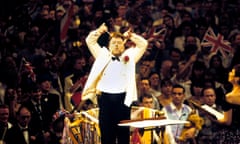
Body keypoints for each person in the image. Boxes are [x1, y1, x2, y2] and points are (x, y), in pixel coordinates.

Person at [80, 23, 148, 144]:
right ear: (108, 45)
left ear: (124, 45)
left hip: (123, 100)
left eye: (119, 42)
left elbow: (143, 44)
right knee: (107, 135)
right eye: (113, 43)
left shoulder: (130, 56)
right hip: (105, 99)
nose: (116, 45)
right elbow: (89, 40)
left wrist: (131, 36)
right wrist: (100, 31)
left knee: (123, 135)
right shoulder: (102, 55)